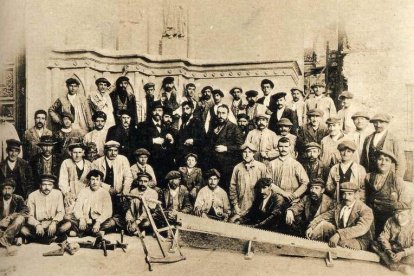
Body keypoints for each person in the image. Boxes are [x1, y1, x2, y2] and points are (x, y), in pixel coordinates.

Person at [306, 181, 374, 250]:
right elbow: (325, 216)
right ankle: (311, 250)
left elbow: (360, 228)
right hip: (341, 235)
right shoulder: (340, 206)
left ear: (356, 195)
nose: (346, 197)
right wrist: (312, 226)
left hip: (359, 240)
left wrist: (339, 234)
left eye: (349, 194)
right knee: (323, 225)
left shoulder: (366, 210)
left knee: (340, 242)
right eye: (344, 194)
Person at [365, 149, 411, 237]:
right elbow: (364, 197)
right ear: (376, 161)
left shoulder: (397, 180)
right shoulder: (368, 177)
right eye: (380, 159)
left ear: (391, 163)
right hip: (370, 217)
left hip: (388, 218)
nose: (383, 163)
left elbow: (405, 204)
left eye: (387, 160)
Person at [93, 141, 132, 232]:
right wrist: (107, 188)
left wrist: (125, 191)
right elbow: (94, 179)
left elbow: (128, 177)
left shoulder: (123, 160)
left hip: (119, 194)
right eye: (110, 150)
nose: (113, 153)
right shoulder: (97, 162)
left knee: (122, 210)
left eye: (115, 150)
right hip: (102, 193)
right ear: (105, 151)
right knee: (103, 213)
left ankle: (118, 225)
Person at [22, 174, 70, 244]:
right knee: (22, 229)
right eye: (44, 184)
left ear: (53, 185)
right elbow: (29, 216)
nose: (47, 187)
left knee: (68, 224)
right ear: (40, 185)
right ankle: (53, 238)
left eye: (50, 185)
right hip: (38, 225)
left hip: (53, 224)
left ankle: (35, 239)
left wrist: (54, 222)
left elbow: (61, 212)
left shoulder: (58, 193)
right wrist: (37, 224)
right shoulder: (32, 196)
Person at [205, 105, 243, 191]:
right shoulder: (214, 127)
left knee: (226, 188)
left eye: (223, 113)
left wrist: (226, 148)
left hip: (227, 166)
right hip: (214, 164)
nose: (220, 115)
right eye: (218, 113)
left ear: (227, 114)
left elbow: (240, 146)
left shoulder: (234, 127)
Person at [137, 102, 174, 187]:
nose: (157, 113)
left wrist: (171, 141)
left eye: (160, 110)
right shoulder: (143, 125)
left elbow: (171, 148)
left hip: (164, 163)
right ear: (151, 112)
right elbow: (138, 142)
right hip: (151, 162)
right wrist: (153, 140)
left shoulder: (166, 127)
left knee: (163, 186)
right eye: (155, 110)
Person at [229, 143, 268, 222]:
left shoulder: (261, 167)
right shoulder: (237, 168)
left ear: (253, 153)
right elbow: (232, 187)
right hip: (241, 207)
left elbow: (267, 187)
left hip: (256, 207)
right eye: (244, 152)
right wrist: (236, 206)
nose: (247, 154)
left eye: (249, 152)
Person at [372, 202, 414, 274]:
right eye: (396, 214)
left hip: (407, 252)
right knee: (374, 244)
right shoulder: (390, 220)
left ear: (409, 214)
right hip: (393, 250)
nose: (398, 217)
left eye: (402, 214)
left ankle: (393, 264)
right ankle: (399, 266)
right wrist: (389, 250)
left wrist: (403, 253)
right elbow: (383, 237)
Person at [267, 137, 309, 206]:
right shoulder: (271, 164)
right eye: (281, 146)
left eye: (286, 146)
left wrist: (294, 195)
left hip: (293, 200)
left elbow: (305, 182)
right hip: (276, 199)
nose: (283, 149)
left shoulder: (296, 164)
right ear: (277, 147)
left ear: (290, 148)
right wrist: (283, 193)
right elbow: (269, 183)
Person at [361, 113, 406, 177]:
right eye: (375, 122)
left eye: (381, 122)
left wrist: (397, 179)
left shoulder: (393, 139)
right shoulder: (368, 138)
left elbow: (401, 162)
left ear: (387, 123)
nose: (378, 125)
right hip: (370, 176)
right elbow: (363, 159)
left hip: (387, 177)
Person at [71, 170, 112, 237]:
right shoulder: (83, 191)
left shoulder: (105, 193)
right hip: (85, 220)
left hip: (99, 220)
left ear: (101, 181)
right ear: (89, 181)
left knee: (111, 223)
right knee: (70, 219)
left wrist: (98, 222)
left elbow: (108, 211)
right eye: (92, 179)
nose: (94, 182)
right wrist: (81, 219)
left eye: (97, 179)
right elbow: (77, 207)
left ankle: (82, 232)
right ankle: (95, 233)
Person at [59, 143, 92, 214]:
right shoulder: (66, 163)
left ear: (83, 152)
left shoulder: (89, 164)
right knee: (70, 214)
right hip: (71, 195)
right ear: (70, 153)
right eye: (74, 152)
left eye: (79, 152)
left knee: (85, 214)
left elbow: (92, 181)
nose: (77, 155)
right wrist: (67, 193)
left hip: (86, 195)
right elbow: (62, 180)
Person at [0, 178, 29, 249]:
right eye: (4, 189)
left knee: (21, 218)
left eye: (9, 189)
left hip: (14, 225)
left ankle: (5, 239)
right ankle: (15, 240)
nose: (7, 191)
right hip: (2, 225)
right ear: (1, 190)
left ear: (13, 189)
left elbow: (26, 211)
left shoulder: (18, 198)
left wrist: (12, 216)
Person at [176, 100, 205, 166]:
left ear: (192, 109)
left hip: (193, 156)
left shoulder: (198, 123)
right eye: (183, 109)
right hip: (183, 155)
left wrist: (193, 141)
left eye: (187, 108)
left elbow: (204, 140)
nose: (185, 111)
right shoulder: (183, 124)